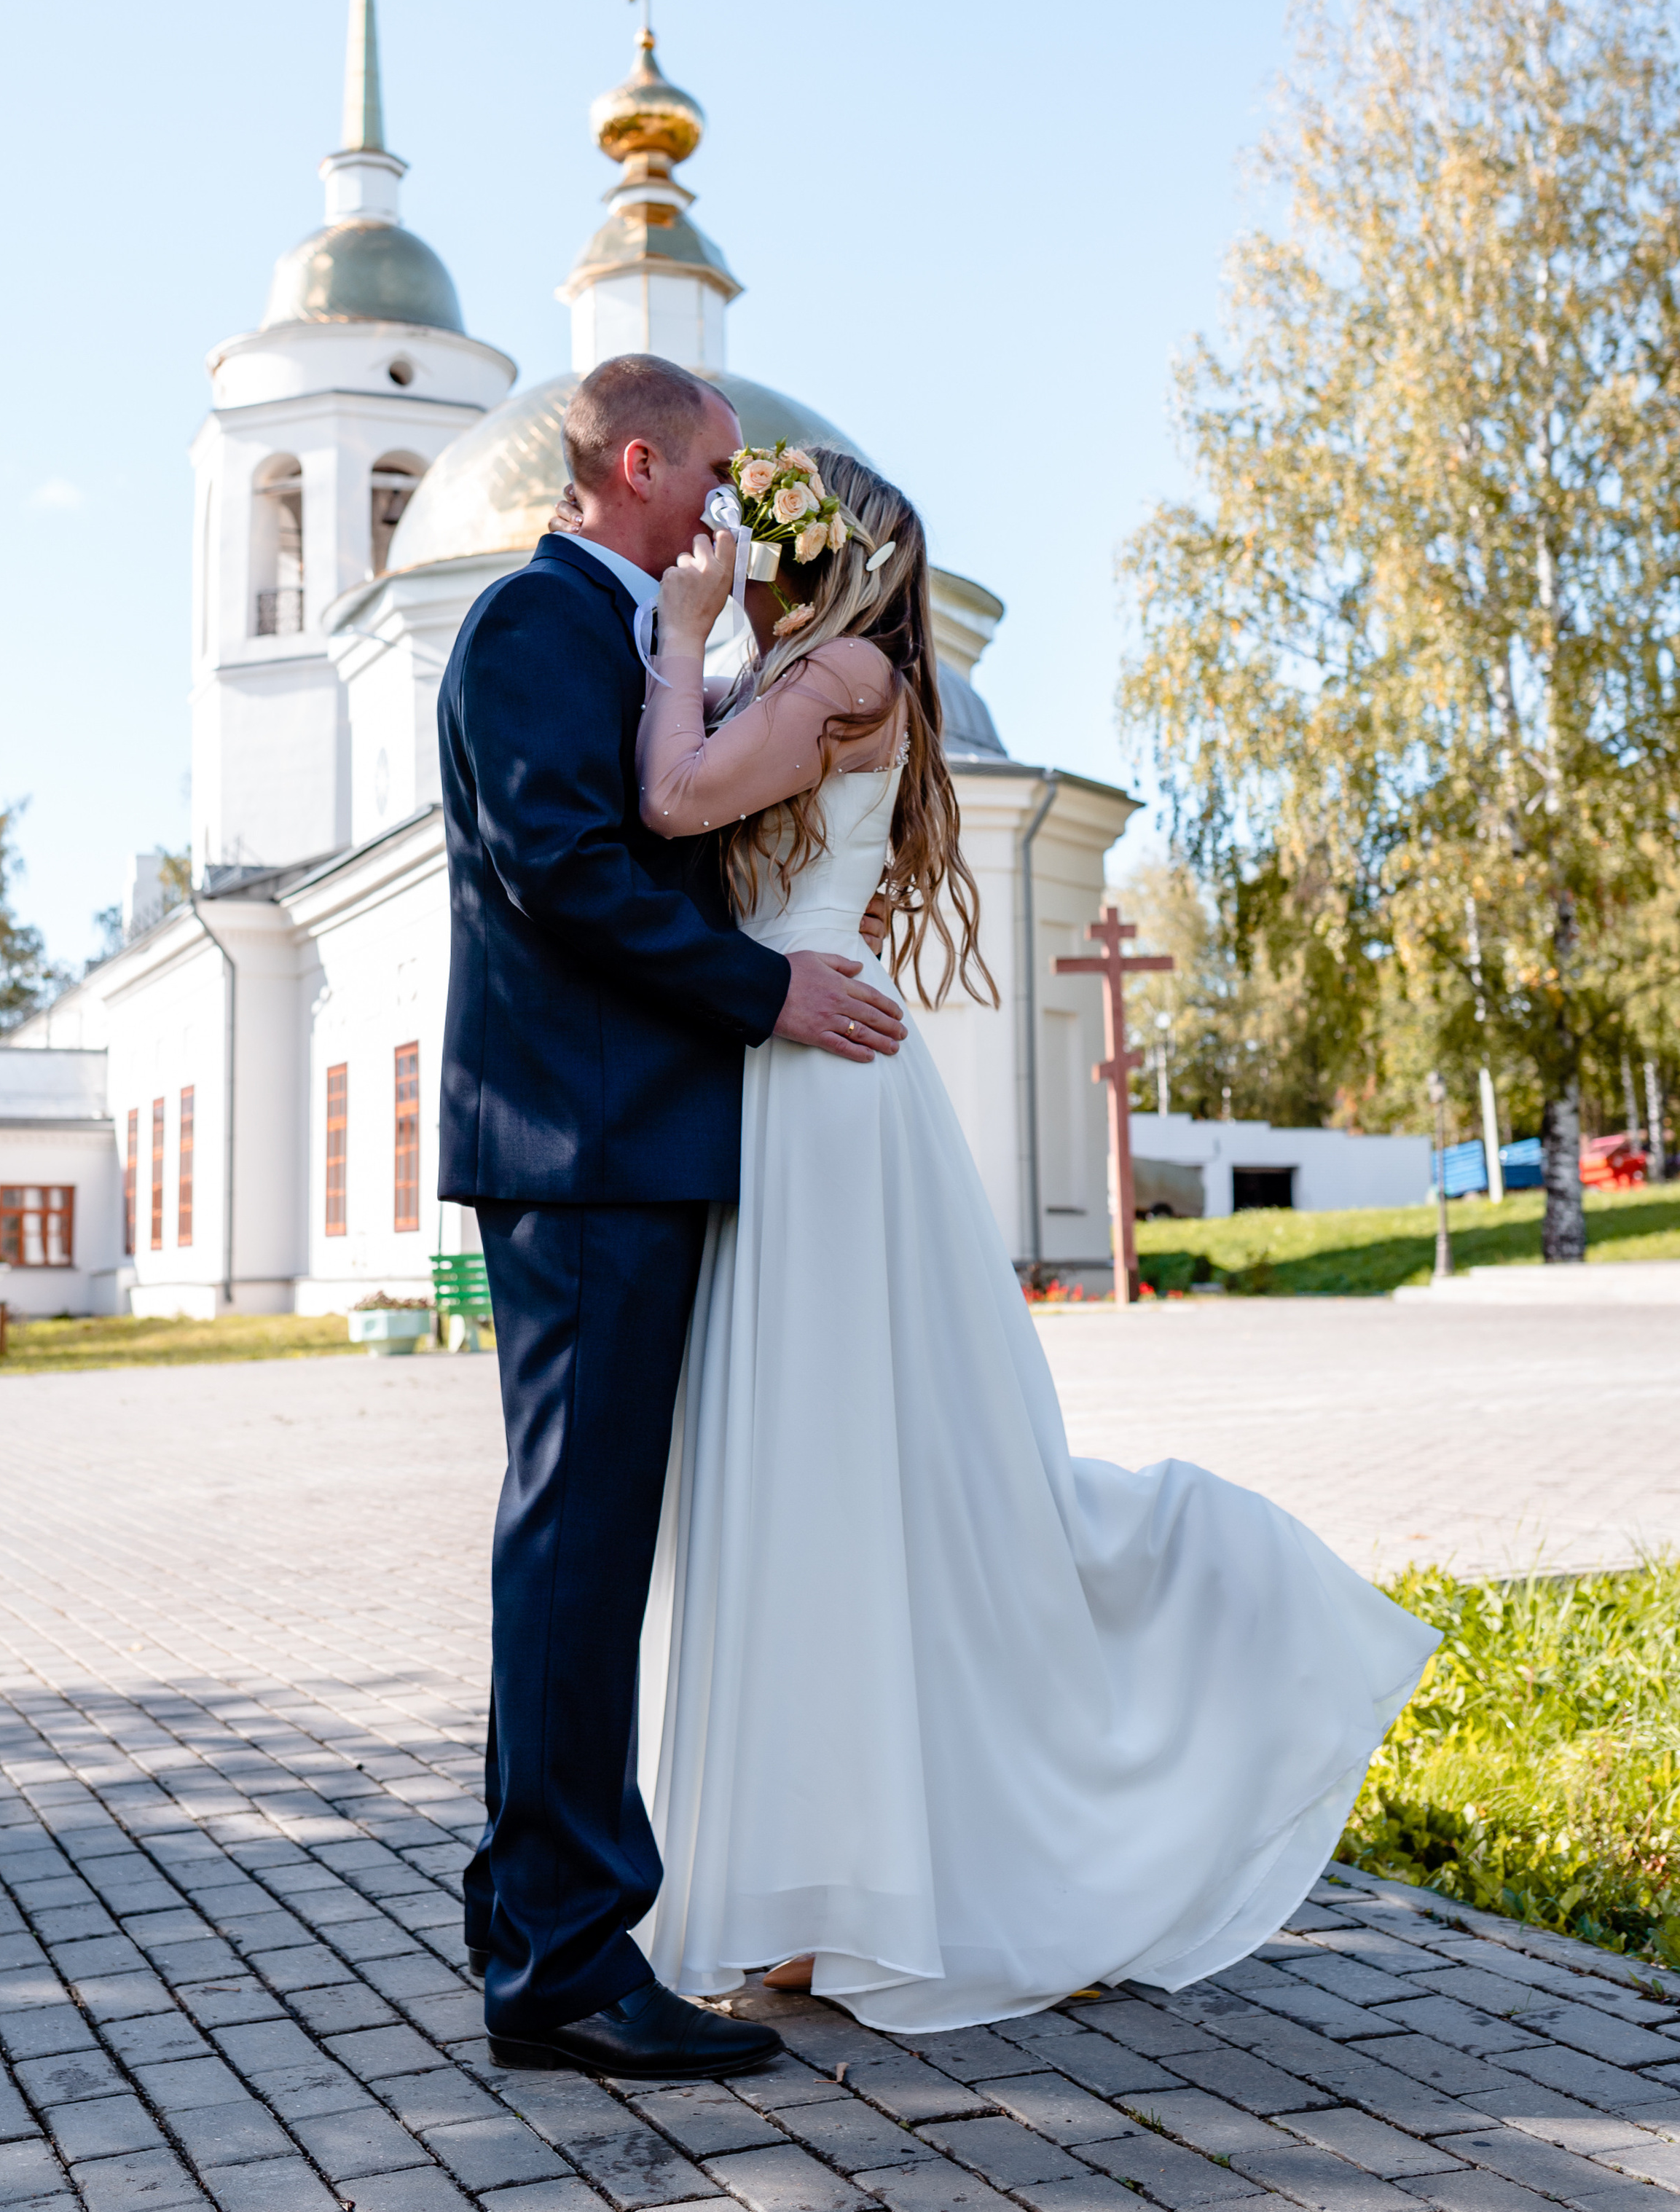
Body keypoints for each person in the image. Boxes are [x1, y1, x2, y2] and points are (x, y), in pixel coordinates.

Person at [629, 447, 1441, 2032]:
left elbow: (671, 799)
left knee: (872, 1480)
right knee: (815, 1489)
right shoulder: (806, 673)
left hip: (821, 1094)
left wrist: (680, 640)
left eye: (763, 532)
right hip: (785, 1079)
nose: (738, 551)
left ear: (826, 553)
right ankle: (817, 1882)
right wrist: (713, 650)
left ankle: (1206, 1622)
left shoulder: (847, 667)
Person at [436, 356, 908, 2079]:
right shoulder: (533, 627)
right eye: (710, 473)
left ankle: (528, 1916)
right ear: (636, 464)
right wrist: (758, 991)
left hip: (617, 1140)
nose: (727, 504)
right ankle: (566, 1961)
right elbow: (562, 867)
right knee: (576, 1550)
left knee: (575, 1550)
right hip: (587, 1144)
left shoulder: (628, 640)